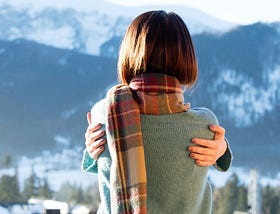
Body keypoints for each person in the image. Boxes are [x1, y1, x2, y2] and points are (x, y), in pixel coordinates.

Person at [82, 10, 232, 214]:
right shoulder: (204, 124)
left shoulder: (105, 114)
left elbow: (102, 168)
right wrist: (221, 148)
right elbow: (220, 163)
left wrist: (93, 151)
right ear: (186, 57)